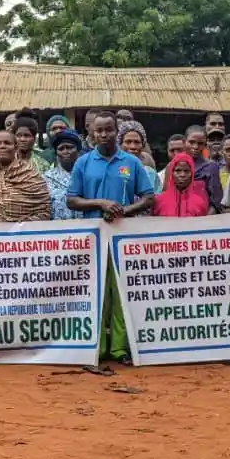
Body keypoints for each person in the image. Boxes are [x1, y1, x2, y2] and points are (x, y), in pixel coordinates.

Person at [67, 111, 155, 362]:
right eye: (99, 131)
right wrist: (102, 203)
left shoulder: (131, 162)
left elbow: (148, 197)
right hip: (92, 238)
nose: (104, 134)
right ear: (92, 134)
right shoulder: (83, 163)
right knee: (97, 294)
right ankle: (98, 347)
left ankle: (118, 348)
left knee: (120, 295)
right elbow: (72, 200)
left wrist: (121, 210)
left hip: (122, 237)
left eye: (109, 130)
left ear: (117, 131)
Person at [0, 129, 51, 222]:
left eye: (7, 143)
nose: (2, 146)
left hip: (21, 234)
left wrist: (27, 223)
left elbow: (45, 211)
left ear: (16, 148)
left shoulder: (31, 175)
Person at [41, 129, 83, 220]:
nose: (65, 152)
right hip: (58, 230)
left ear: (78, 150)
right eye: (61, 149)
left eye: (70, 147)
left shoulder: (88, 174)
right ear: (56, 153)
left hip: (88, 229)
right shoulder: (47, 178)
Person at [153, 152, 209, 217]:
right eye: (177, 170)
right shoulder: (159, 201)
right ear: (172, 173)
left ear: (192, 174)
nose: (182, 175)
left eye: (186, 171)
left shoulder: (199, 203)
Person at [183, 125, 224, 213]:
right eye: (191, 142)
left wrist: (205, 221)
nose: (196, 147)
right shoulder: (174, 166)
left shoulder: (211, 167)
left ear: (205, 145)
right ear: (184, 142)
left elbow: (216, 201)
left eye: (200, 143)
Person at [119, 121, 161, 194]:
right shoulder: (112, 167)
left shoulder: (150, 171)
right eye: (128, 142)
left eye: (137, 142)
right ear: (119, 143)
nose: (133, 147)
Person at [11, 109, 53, 175]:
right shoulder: (6, 162)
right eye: (19, 135)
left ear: (34, 138)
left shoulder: (43, 165)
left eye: (27, 135)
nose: (22, 139)